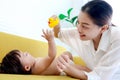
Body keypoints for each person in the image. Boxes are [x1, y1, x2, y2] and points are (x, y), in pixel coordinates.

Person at [52, 0, 120, 80]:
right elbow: (58, 34)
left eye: (84, 26)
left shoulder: (117, 39)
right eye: (78, 22)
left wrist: (68, 68)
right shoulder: (81, 33)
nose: (79, 29)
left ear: (103, 28)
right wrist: (56, 24)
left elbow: (100, 77)